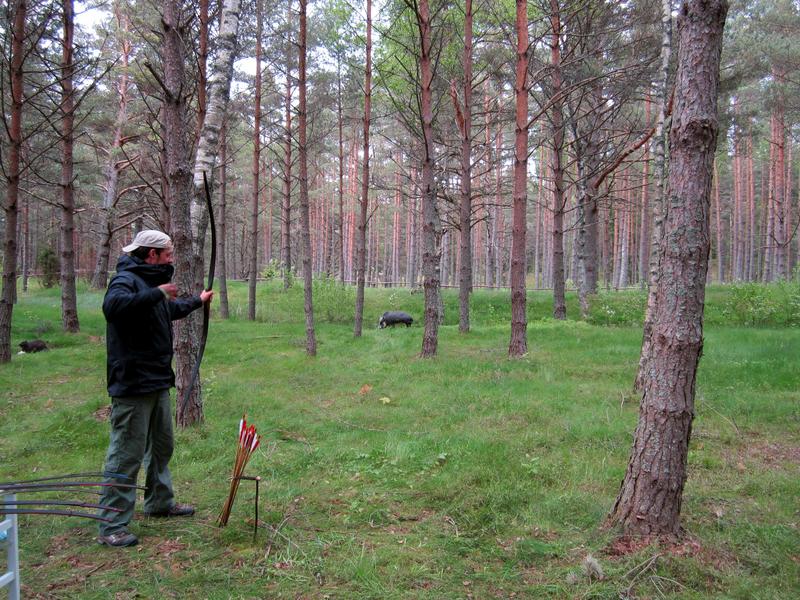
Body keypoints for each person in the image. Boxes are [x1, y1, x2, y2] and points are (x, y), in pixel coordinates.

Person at [97, 230, 213, 547]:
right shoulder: (127, 280)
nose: (171, 259)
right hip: (133, 384)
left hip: (157, 380)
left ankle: (159, 502)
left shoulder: (149, 284)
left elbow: (167, 311)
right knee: (126, 454)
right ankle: (111, 525)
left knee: (161, 447)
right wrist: (158, 294)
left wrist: (197, 302)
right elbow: (113, 307)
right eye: (168, 254)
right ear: (152, 255)